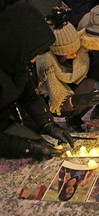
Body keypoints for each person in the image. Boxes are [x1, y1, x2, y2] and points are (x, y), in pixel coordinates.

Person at [0, 1, 74, 161]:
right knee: (31, 151)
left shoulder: (15, 60)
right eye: (30, 53)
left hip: (5, 122)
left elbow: (30, 95)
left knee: (44, 148)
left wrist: (48, 123)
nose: (33, 61)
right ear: (16, 43)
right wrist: (28, 147)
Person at [36, 7, 99, 132]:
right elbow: (57, 99)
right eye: (69, 53)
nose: (75, 55)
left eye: (76, 50)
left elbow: (94, 70)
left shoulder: (81, 51)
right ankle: (48, 126)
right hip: (51, 102)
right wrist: (83, 99)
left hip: (74, 91)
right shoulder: (46, 62)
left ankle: (74, 118)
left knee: (94, 85)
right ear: (59, 52)